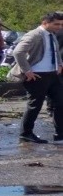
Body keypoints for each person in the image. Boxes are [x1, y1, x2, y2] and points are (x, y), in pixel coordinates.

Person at [7, 11, 63, 144]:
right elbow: (18, 52)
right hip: (37, 76)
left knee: (60, 103)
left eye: (61, 24)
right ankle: (26, 133)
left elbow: (55, 51)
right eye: (56, 24)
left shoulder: (51, 35)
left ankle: (60, 134)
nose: (59, 27)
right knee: (35, 105)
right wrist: (27, 71)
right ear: (45, 23)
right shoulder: (34, 35)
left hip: (52, 74)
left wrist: (60, 63)